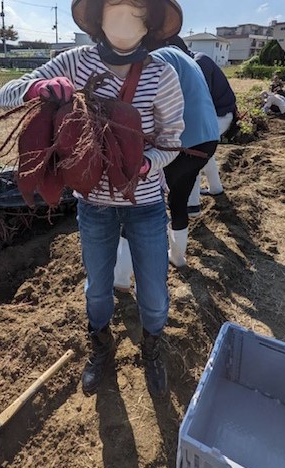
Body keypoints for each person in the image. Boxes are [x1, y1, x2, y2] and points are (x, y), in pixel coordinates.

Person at [0, 0, 185, 398]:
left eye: (136, 8)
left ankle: (152, 348)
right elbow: (6, 94)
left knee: (153, 292)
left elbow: (172, 141)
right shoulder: (75, 62)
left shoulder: (162, 74)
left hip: (146, 203)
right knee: (97, 288)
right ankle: (100, 346)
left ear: (150, 22)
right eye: (114, 5)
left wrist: (145, 165)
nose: (125, 15)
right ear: (98, 15)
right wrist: (37, 88)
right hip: (94, 205)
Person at [114, 41, 219, 291]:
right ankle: (178, 257)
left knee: (143, 204)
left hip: (180, 144)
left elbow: (141, 101)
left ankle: (121, 277)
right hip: (208, 140)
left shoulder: (158, 58)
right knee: (179, 199)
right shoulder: (191, 62)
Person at [174, 40, 238, 212]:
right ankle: (216, 188)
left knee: (192, 150)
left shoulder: (198, 63)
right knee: (204, 152)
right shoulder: (194, 61)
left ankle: (191, 205)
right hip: (217, 114)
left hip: (220, 115)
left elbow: (198, 102)